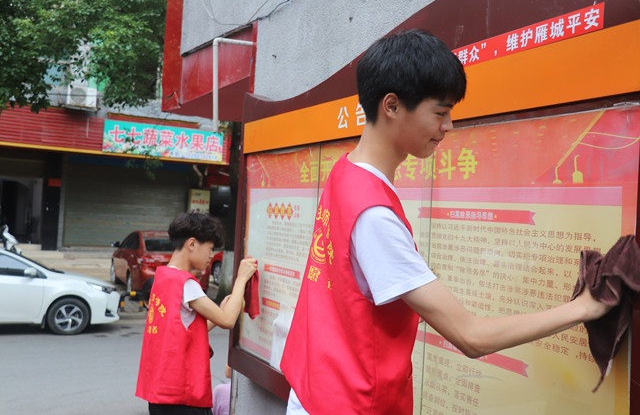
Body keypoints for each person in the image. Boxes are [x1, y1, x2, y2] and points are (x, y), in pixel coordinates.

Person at [279, 29, 611, 415]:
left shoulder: (345, 172)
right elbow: (471, 337)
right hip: (347, 404)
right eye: (440, 112)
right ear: (392, 106)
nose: (448, 126)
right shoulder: (374, 215)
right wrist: (584, 308)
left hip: (313, 389)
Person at [136, 211, 257, 415]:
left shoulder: (163, 276)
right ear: (192, 244)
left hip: (160, 392)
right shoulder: (186, 284)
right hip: (181, 395)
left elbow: (186, 330)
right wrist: (241, 279)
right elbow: (228, 320)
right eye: (210, 248)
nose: (211, 255)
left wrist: (220, 310)